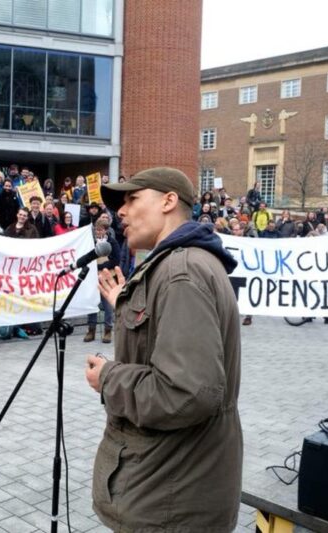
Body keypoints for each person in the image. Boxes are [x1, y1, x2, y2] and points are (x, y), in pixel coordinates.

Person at [86, 167, 242, 531]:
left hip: (171, 495)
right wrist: (123, 306)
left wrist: (109, 377)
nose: (120, 212)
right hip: (171, 485)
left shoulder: (180, 272)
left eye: (132, 198)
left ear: (169, 201)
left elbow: (187, 392)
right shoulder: (177, 264)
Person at [83, 220, 120, 343]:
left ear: (106, 230)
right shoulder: (91, 243)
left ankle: (108, 330)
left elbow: (116, 260)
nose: (98, 232)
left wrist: (101, 266)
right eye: (96, 230)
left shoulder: (112, 242)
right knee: (92, 303)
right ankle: (91, 329)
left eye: (100, 230)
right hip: (93, 277)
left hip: (107, 276)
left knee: (107, 305)